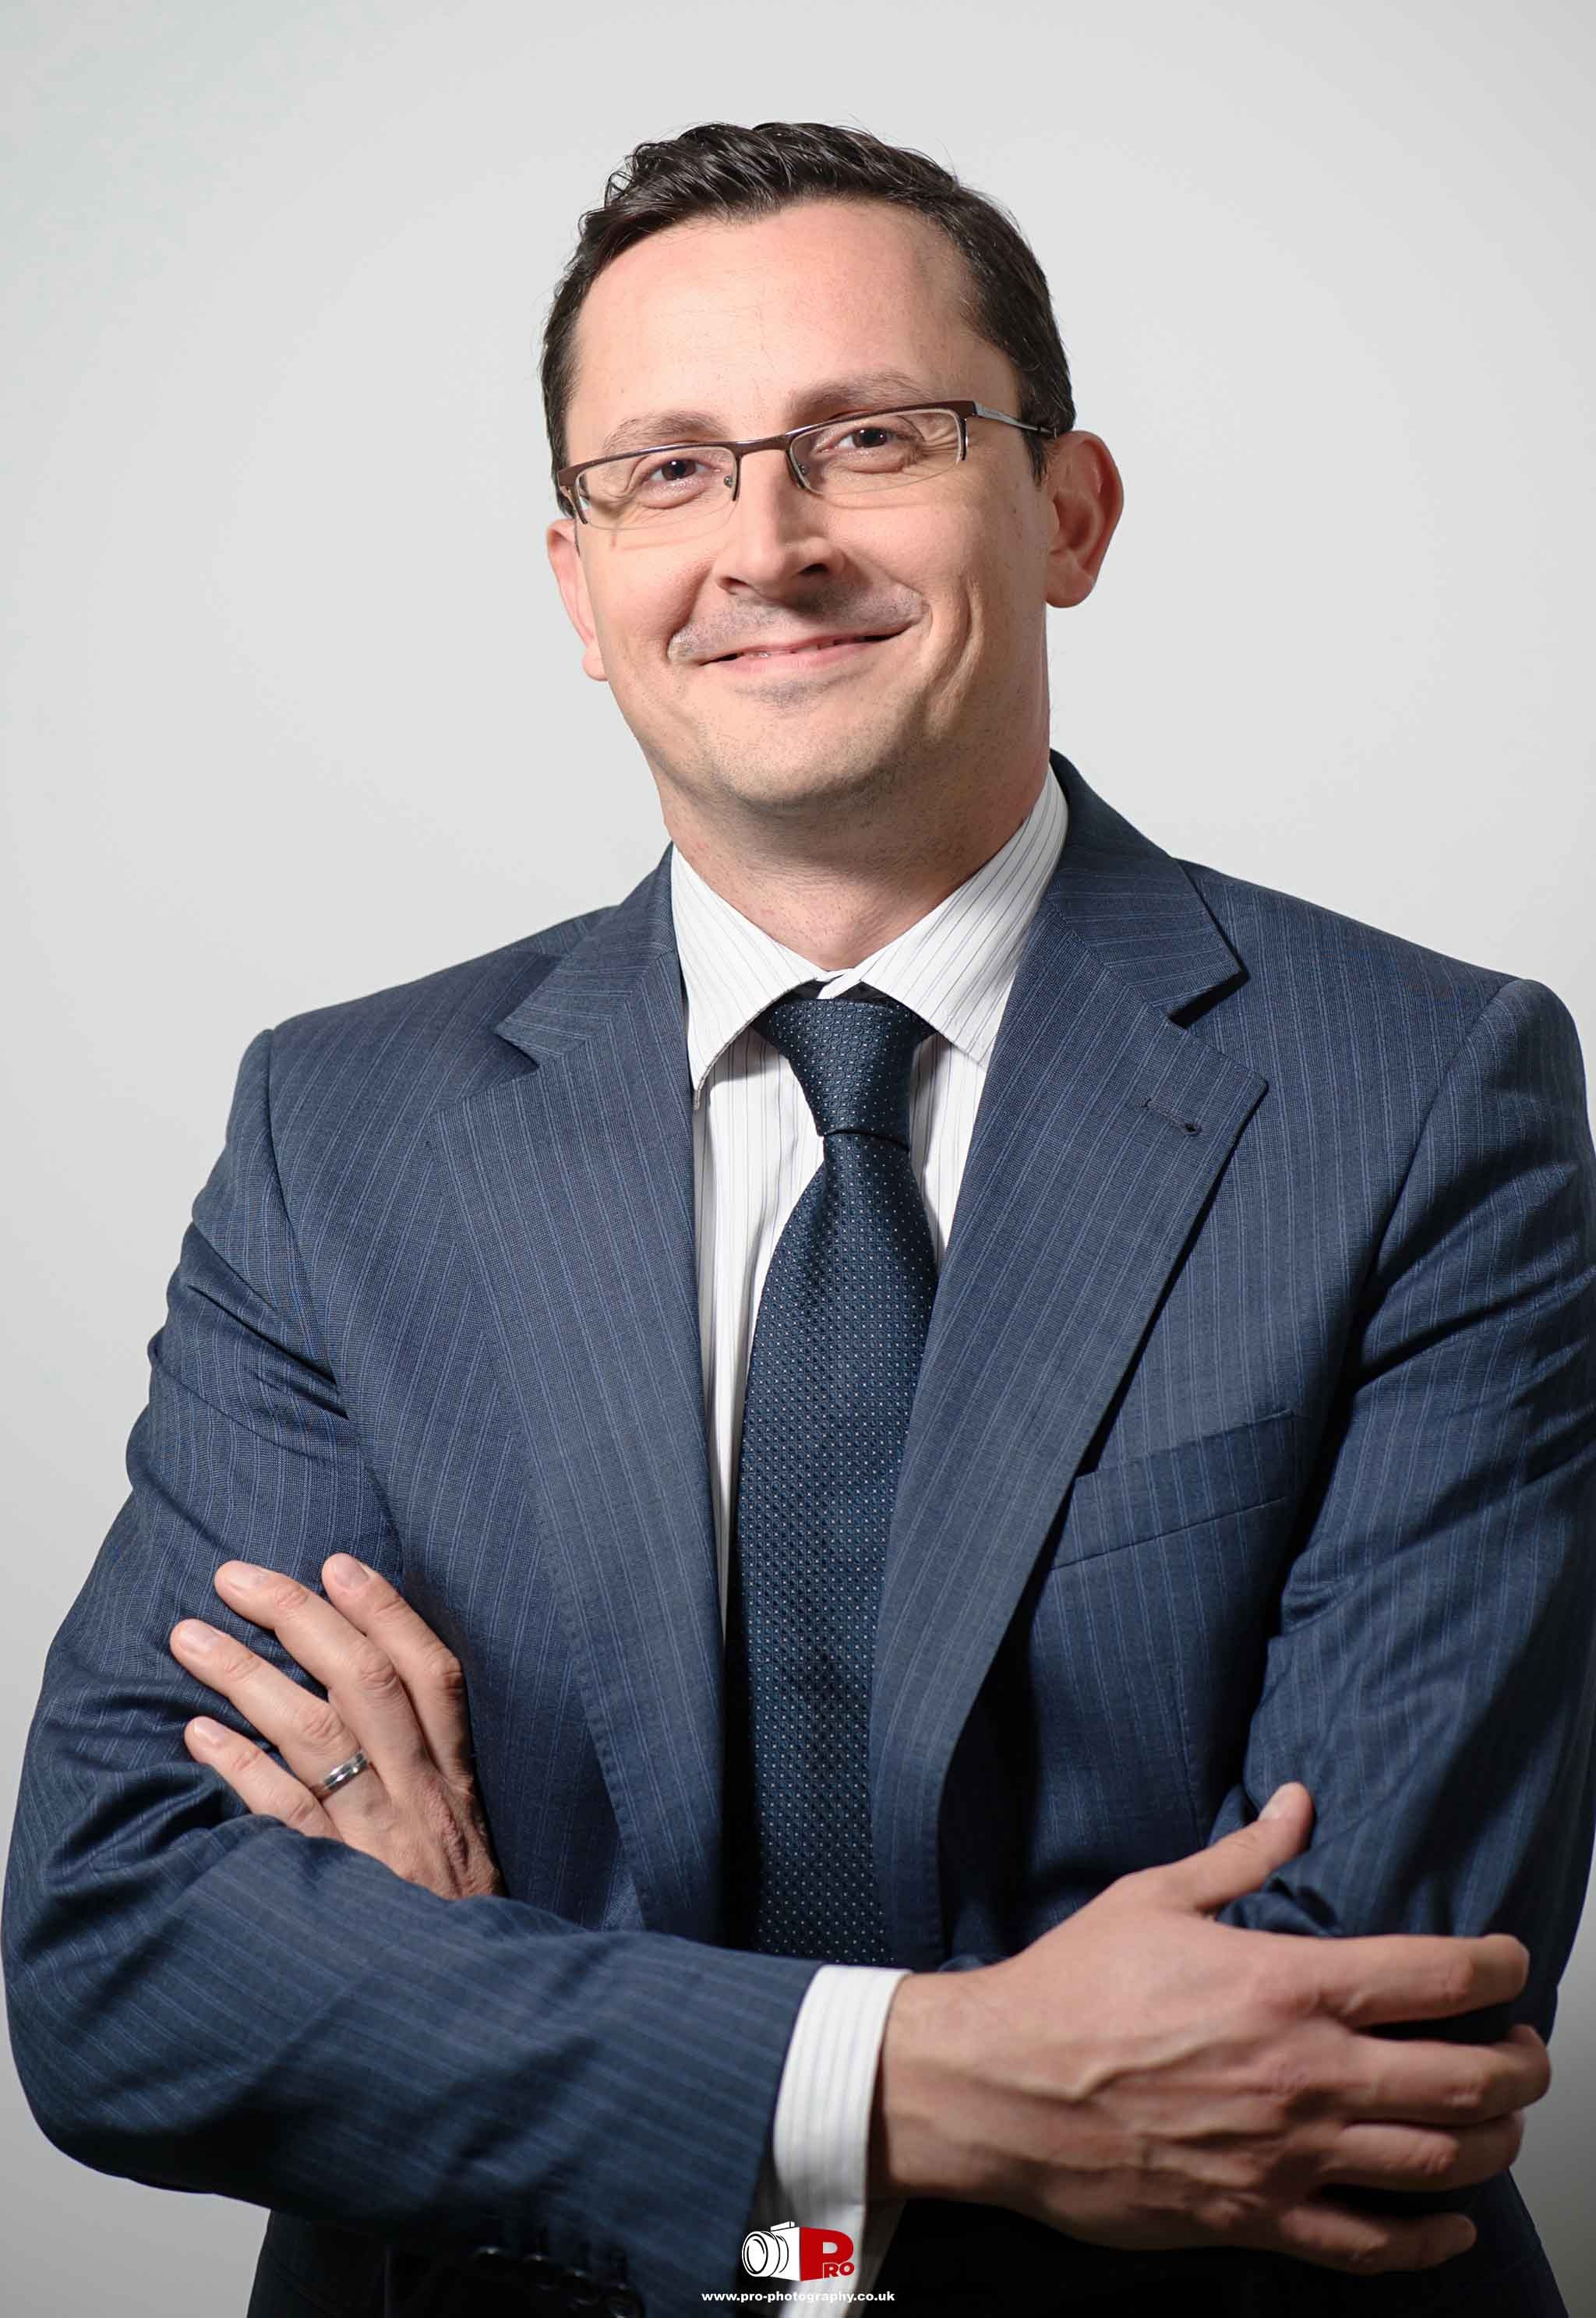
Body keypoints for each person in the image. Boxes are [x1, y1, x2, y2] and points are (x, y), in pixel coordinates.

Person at [5, 118, 1594, 2318]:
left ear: (1068, 511)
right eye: (664, 471)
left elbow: (1348, 2042)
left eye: (869, 438)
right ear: (576, 587)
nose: (766, 541)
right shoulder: (344, 1133)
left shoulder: (1424, 1096)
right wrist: (911, 2067)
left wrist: (466, 1989)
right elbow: (125, 1964)